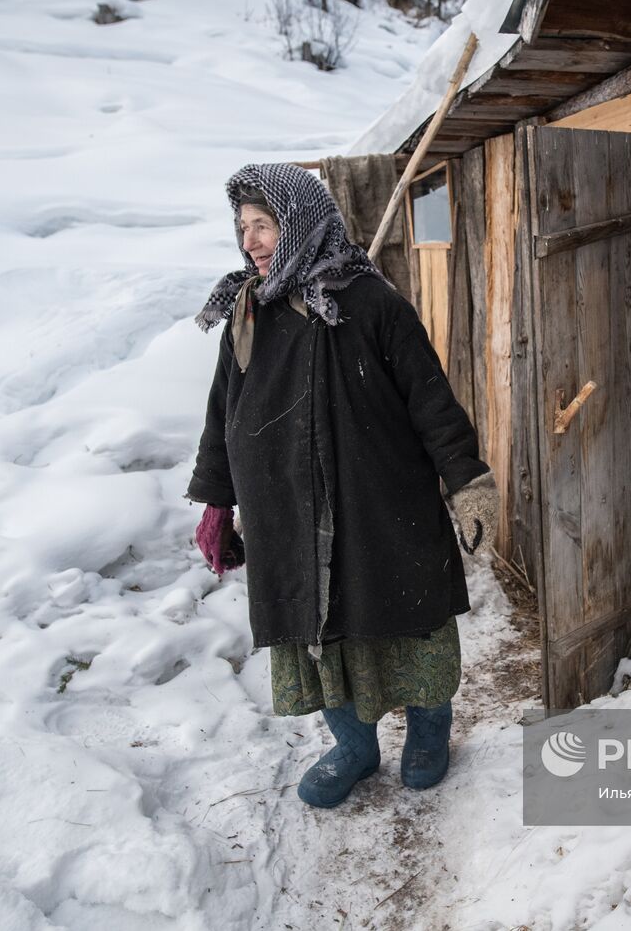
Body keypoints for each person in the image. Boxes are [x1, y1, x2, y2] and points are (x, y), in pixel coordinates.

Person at [185, 162, 498, 808]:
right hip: (288, 515)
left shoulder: (371, 302)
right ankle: (355, 746)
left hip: (380, 504)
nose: (251, 242)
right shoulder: (248, 311)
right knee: (318, 632)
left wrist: (467, 479)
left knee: (408, 615)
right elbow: (224, 410)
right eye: (243, 228)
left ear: (299, 222)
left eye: (263, 225)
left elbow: (430, 399)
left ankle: (429, 729)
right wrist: (218, 498)